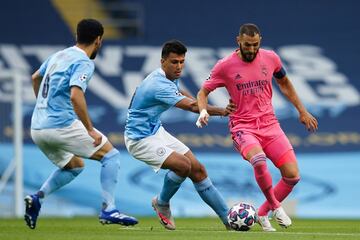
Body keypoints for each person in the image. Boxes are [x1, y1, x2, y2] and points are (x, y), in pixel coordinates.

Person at [196, 23, 318, 232]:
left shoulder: (271, 58)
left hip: (270, 124)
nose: (251, 49)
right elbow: (202, 93)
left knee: (292, 175)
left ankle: (262, 214)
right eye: (247, 45)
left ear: (260, 40)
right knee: (259, 161)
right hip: (243, 126)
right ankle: (276, 206)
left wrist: (302, 110)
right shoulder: (224, 65)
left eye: (254, 45)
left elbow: (285, 83)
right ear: (238, 41)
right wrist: (203, 111)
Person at [24, 18, 138, 229]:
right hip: (60, 125)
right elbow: (76, 96)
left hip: (38, 127)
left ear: (77, 37)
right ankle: (109, 208)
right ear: (98, 40)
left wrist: (43, 107)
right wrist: (89, 129)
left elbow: (34, 78)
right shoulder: (84, 61)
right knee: (111, 156)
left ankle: (37, 197)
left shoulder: (58, 55)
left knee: (74, 166)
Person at [124, 39, 236, 230]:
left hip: (155, 131)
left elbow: (180, 92)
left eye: (182, 61)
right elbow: (191, 106)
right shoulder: (157, 85)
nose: (179, 66)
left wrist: (201, 107)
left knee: (198, 170)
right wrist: (221, 111)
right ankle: (161, 202)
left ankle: (229, 220)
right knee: (183, 166)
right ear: (162, 62)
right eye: (174, 62)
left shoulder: (168, 78)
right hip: (139, 139)